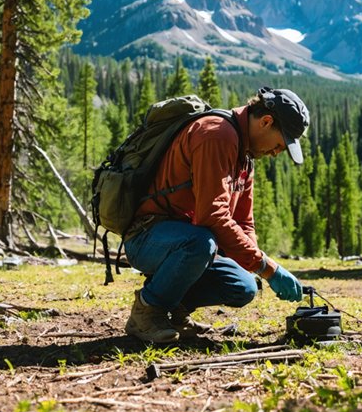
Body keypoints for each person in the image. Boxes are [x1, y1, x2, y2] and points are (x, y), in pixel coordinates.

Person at [122, 87, 310, 343]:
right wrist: (268, 267)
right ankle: (147, 310)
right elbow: (212, 216)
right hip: (148, 238)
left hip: (189, 244)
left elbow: (243, 221)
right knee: (200, 243)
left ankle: (175, 310)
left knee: (243, 286)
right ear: (266, 122)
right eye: (280, 144)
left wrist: (255, 265)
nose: (276, 153)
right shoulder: (217, 134)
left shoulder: (245, 156)